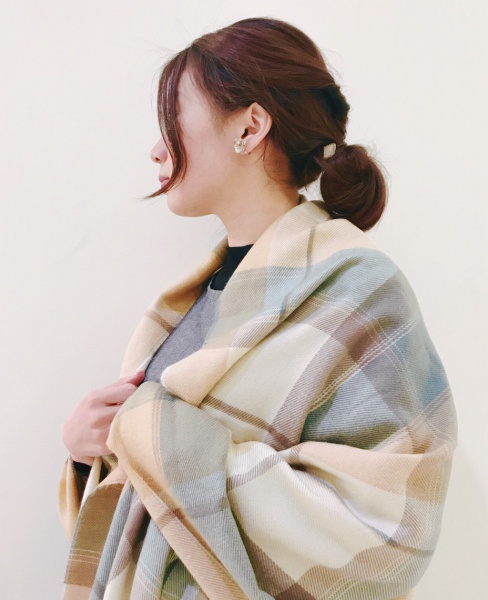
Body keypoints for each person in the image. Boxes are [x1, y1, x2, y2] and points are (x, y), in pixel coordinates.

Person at [58, 16, 457, 600]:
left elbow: (392, 531)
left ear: (249, 128)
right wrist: (85, 449)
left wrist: (145, 427)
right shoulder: (191, 299)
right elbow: (140, 499)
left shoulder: (357, 289)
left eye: (172, 122)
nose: (156, 149)